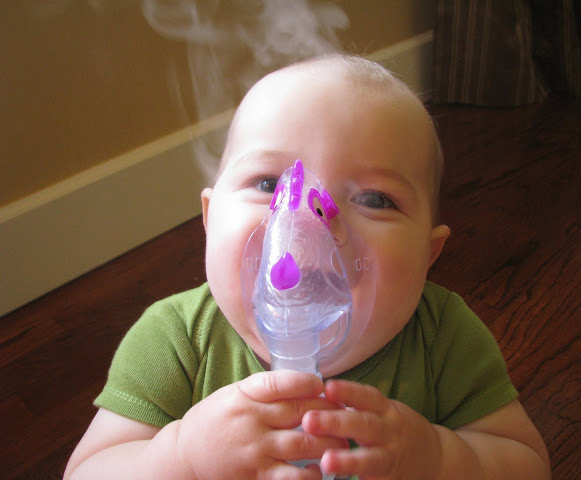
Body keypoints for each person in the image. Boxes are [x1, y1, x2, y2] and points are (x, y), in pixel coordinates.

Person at [64, 54, 551, 479]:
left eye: (374, 199)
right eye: (268, 183)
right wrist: (182, 458)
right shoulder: (175, 339)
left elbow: (527, 465)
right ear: (210, 220)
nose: (306, 217)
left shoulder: (442, 337)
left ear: (429, 255)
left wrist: (442, 460)